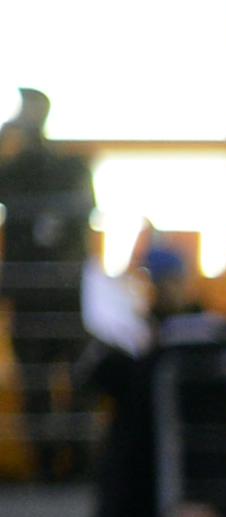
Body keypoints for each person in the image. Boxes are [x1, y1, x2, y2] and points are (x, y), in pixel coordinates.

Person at [88, 248, 226, 517]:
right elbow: (96, 378)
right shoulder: (132, 335)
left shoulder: (210, 331)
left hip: (202, 479)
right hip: (146, 486)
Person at [0, 89, 90, 481]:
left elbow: (83, 212)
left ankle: (79, 460)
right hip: (30, 297)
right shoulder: (15, 169)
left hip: (68, 297)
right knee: (35, 382)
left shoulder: (72, 167)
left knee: (78, 378)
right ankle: (45, 462)